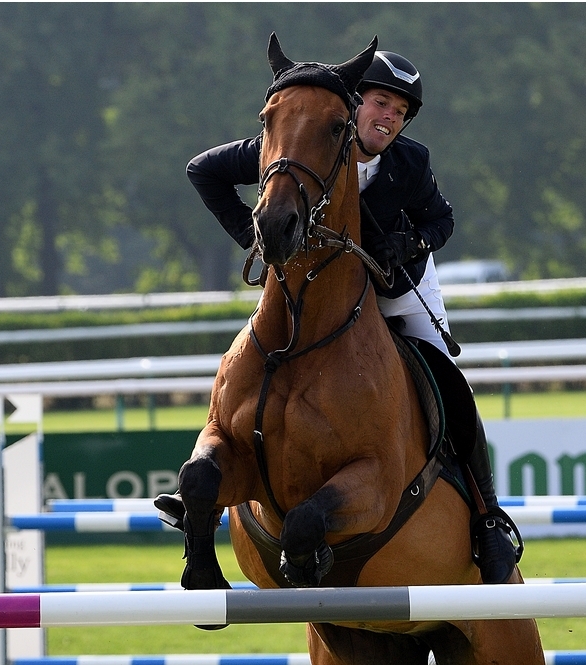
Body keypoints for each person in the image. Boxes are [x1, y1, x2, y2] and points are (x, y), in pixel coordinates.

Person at [186, 49, 522, 584]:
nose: (389, 118)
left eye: (401, 112)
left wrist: (407, 243)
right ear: (355, 102)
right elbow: (203, 170)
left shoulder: (410, 163)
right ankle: (205, 500)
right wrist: (253, 237)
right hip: (319, 287)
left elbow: (442, 221)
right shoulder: (301, 142)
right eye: (382, 102)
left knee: (446, 378)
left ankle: (488, 519)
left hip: (397, 285)